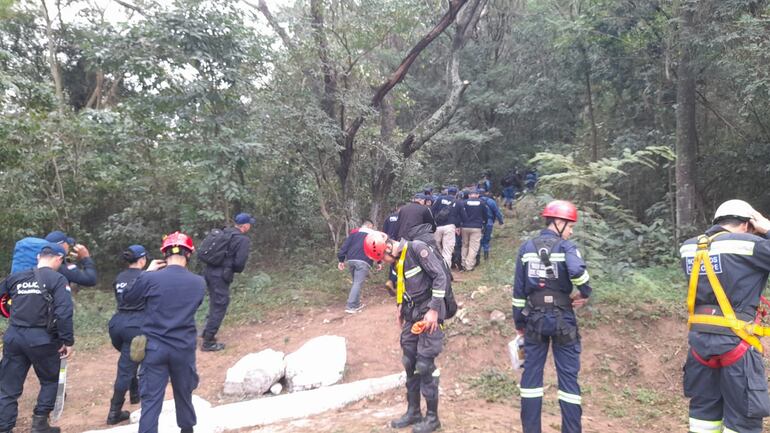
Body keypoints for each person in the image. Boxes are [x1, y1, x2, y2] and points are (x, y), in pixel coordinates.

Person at [680, 199, 770, 433]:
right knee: (743, 421)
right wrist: (767, 228)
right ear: (747, 224)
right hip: (736, 342)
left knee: (704, 417)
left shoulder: (689, 247)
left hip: (700, 344)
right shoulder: (749, 244)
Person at [512, 200, 591, 433]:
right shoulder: (567, 247)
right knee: (568, 380)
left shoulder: (526, 248)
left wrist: (519, 323)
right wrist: (585, 293)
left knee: (531, 381)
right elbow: (578, 272)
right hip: (563, 320)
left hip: (534, 320)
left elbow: (518, 293)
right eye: (569, 225)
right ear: (557, 222)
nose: (571, 230)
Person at [363, 231, 448, 433]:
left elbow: (440, 277)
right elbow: (404, 283)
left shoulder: (417, 249)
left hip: (429, 314)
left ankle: (432, 418)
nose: (383, 261)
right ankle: (413, 411)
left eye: (383, 256)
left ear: (389, 246)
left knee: (424, 365)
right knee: (409, 362)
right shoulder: (398, 260)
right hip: (412, 314)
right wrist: (400, 305)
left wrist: (434, 309)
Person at [123, 232, 205, 433]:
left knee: (151, 401)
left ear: (164, 254)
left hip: (155, 348)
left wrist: (146, 273)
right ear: (189, 254)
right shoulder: (199, 282)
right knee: (184, 395)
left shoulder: (151, 279)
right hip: (183, 348)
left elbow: (128, 298)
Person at [0, 243, 74, 433]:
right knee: (50, 380)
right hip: (42, 339)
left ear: (38, 257)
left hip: (14, 337)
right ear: (58, 258)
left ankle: (4, 427)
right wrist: (67, 341)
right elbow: (64, 312)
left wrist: (9, 313)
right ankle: (40, 424)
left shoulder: (16, 277)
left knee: (8, 387)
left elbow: (2, 300)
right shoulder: (58, 279)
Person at [106, 245, 166, 425]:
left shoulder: (120, 277)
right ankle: (114, 413)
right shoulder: (148, 276)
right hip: (137, 328)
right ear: (142, 260)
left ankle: (134, 394)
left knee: (130, 359)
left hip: (117, 324)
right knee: (127, 368)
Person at [201, 213, 254, 352]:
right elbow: (240, 263)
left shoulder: (225, 232)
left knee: (214, 301)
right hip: (221, 275)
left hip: (208, 272)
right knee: (220, 304)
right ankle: (208, 342)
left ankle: (207, 331)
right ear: (245, 226)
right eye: (250, 224)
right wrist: (230, 268)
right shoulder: (242, 240)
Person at [337, 221, 377, 313]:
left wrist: (341, 260)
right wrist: (378, 261)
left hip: (351, 260)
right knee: (357, 283)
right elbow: (376, 248)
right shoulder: (373, 234)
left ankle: (356, 304)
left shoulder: (354, 233)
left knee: (356, 282)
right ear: (370, 226)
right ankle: (351, 306)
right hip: (363, 260)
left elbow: (345, 246)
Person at [431, 187, 466, 268]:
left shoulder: (439, 199)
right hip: (450, 227)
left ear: (447, 192)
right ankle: (446, 270)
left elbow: (432, 211)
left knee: (436, 247)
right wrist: (457, 226)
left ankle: (437, 267)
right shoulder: (458, 202)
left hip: (438, 227)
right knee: (447, 250)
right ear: (456, 193)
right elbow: (463, 217)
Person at [460, 189, 488, 272]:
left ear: (469, 195)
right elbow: (485, 215)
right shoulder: (482, 203)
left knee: (465, 245)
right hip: (476, 227)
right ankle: (469, 266)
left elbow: (460, 213)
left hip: (464, 227)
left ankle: (463, 264)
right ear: (478, 195)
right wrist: (484, 223)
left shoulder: (464, 203)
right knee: (473, 247)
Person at [480, 190, 504, 261]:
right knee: (486, 239)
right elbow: (497, 212)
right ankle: (486, 256)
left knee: (477, 239)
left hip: (478, 223)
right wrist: (501, 221)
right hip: (489, 223)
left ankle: (476, 256)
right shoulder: (491, 201)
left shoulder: (476, 201)